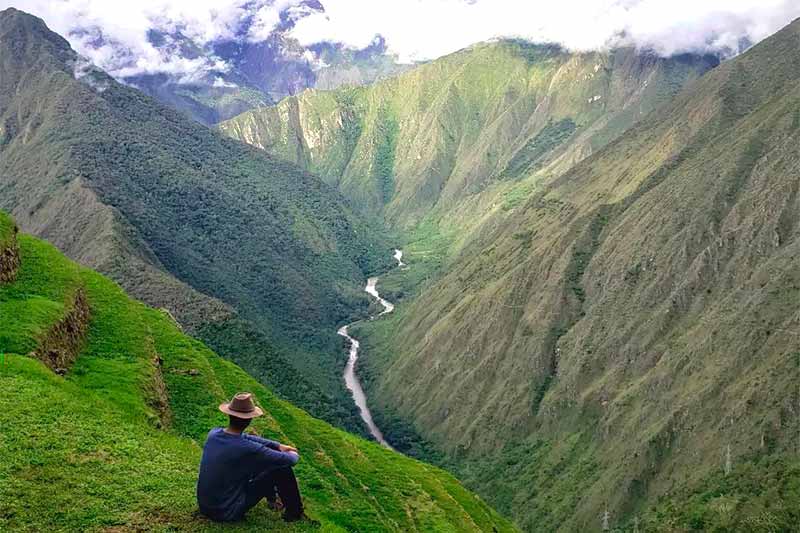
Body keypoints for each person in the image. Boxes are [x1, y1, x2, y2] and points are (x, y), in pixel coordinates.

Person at [197, 392, 306, 522]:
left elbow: (245, 437)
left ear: (229, 415)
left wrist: (277, 445)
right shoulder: (249, 449)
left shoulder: (213, 434)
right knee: (281, 469)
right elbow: (291, 460)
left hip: (206, 506)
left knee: (263, 462)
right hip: (226, 512)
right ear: (249, 420)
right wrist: (293, 452)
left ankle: (273, 500)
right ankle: (294, 513)